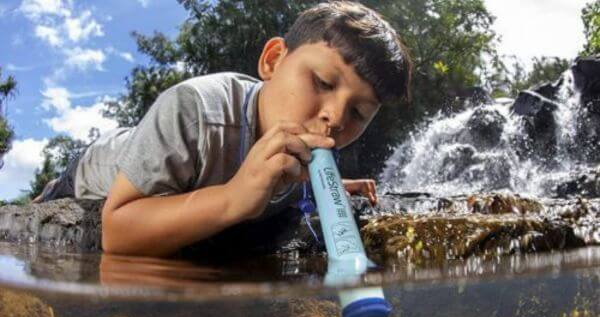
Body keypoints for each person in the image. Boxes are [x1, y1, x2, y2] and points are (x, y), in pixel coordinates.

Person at [35, 1, 412, 257]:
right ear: (273, 60)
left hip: (179, 165)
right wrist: (234, 198)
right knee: (46, 206)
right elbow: (117, 233)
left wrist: (324, 185)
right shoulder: (195, 110)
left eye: (360, 112)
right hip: (100, 168)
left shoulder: (306, 140)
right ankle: (48, 189)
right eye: (323, 83)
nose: (336, 117)